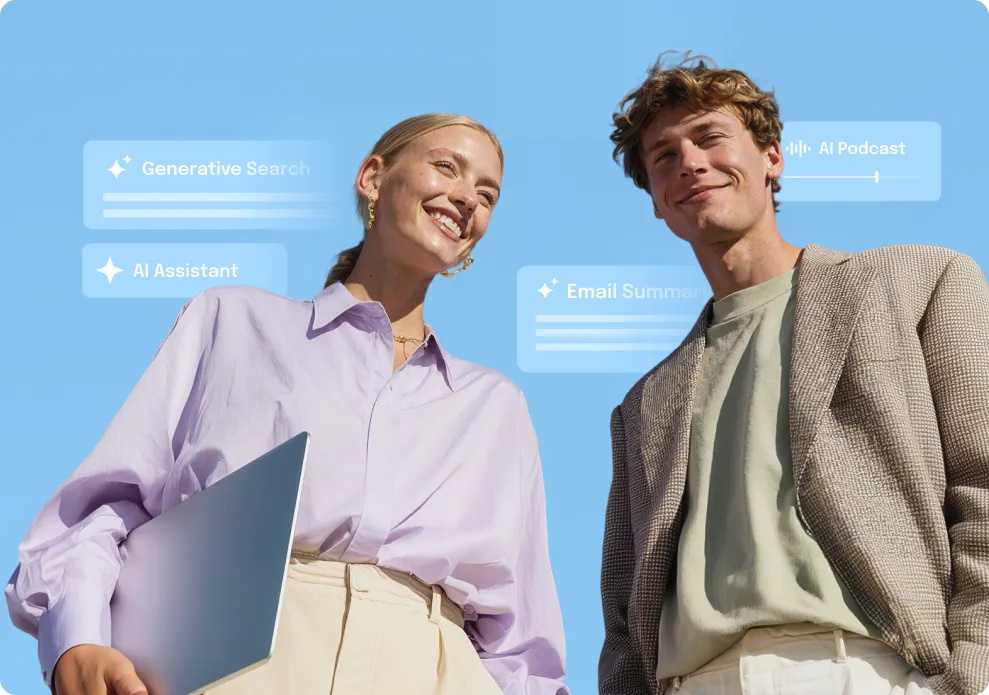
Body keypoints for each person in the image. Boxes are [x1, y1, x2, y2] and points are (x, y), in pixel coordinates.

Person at [6, 113, 569, 695]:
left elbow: (522, 641)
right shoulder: (232, 323)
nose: (465, 198)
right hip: (241, 664)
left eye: (486, 194)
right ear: (372, 178)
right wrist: (77, 638)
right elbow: (103, 512)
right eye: (446, 167)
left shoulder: (496, 407)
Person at [598, 52, 989, 695]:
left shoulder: (919, 282)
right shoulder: (643, 404)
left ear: (772, 158)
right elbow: (623, 612)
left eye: (710, 137)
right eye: (663, 155)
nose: (689, 162)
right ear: (657, 205)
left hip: (861, 669)